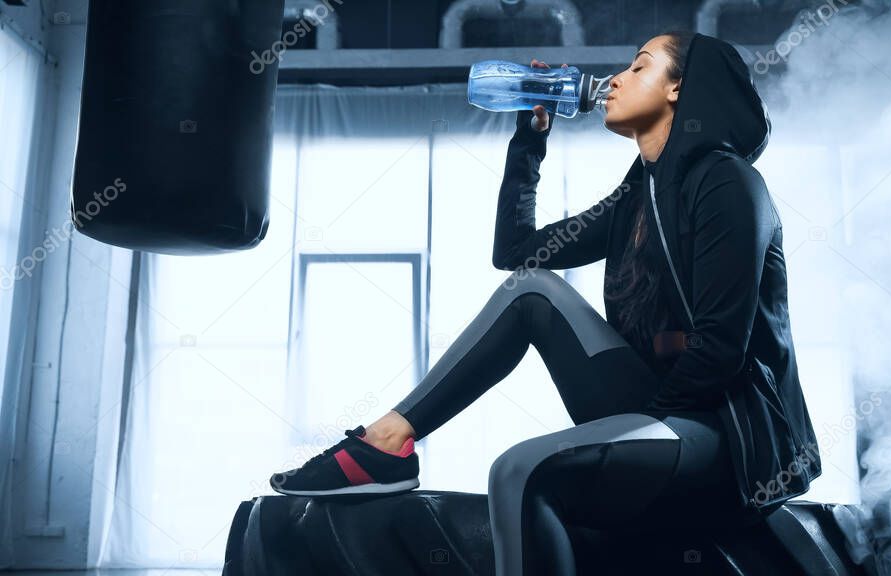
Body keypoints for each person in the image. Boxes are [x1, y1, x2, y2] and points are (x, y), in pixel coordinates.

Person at [270, 30, 822, 575]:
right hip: (662, 414)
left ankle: (385, 447)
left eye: (639, 66)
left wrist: (630, 433)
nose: (615, 80)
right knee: (531, 291)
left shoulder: (727, 182)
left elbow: (721, 350)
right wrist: (530, 140)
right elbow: (515, 253)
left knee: (519, 469)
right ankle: (386, 443)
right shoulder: (638, 196)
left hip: (729, 444)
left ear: (678, 88)